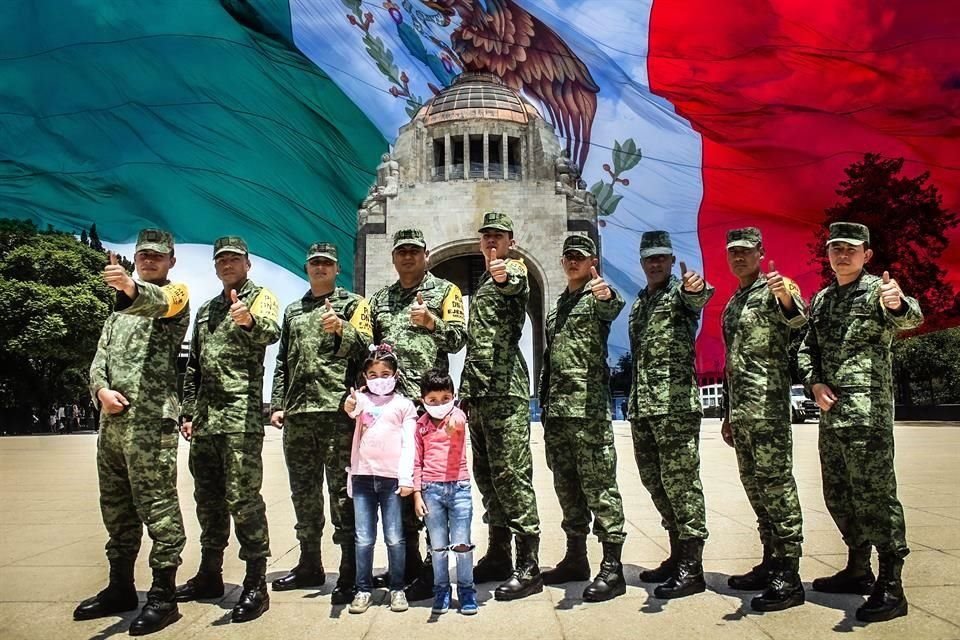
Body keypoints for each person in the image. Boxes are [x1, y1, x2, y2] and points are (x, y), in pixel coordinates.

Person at [798, 222, 923, 623]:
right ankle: (857, 568)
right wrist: (814, 383)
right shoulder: (821, 300)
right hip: (832, 419)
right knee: (839, 494)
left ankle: (891, 585)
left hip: (867, 417)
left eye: (851, 248)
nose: (842, 254)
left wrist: (897, 303)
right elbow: (807, 349)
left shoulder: (878, 292)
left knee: (876, 496)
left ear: (867, 255)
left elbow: (910, 318)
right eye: (836, 248)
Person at [75, 229, 190, 636]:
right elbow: (98, 361)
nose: (149, 260)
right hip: (112, 427)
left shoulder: (176, 296)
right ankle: (120, 586)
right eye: (143, 255)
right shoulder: (115, 314)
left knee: (158, 508)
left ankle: (163, 595)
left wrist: (130, 285)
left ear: (170, 261)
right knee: (117, 509)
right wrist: (101, 391)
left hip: (151, 425)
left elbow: (157, 302)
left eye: (158, 256)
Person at [176, 236, 281, 623]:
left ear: (247, 264)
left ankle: (256, 581)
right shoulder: (205, 311)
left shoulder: (259, 298)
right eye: (221, 260)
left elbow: (271, 331)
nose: (227, 264)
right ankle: (210, 574)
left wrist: (248, 320)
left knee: (243, 499)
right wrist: (188, 412)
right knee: (208, 500)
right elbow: (195, 369)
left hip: (240, 419)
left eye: (234, 259)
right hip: (206, 421)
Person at [269, 242, 372, 603]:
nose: (320, 268)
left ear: (336, 268)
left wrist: (342, 329)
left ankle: (348, 570)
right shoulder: (294, 310)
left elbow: (368, 348)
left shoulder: (353, 305)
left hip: (337, 414)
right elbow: (282, 361)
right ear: (306, 267)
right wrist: (278, 404)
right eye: (314, 263)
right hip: (298, 414)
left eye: (326, 263)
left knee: (342, 494)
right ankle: (309, 563)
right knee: (304, 493)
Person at [368, 227, 467, 600]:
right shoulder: (380, 300)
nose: (407, 256)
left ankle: (431, 571)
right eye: (401, 251)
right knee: (400, 490)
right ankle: (407, 565)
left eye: (414, 251)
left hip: (430, 414)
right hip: (392, 412)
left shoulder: (445, 292)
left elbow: (458, 339)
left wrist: (431, 322)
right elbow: (370, 352)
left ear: (425, 254)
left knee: (432, 490)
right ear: (393, 258)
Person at [720, 227, 806, 611]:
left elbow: (798, 321)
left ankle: (789, 575)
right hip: (742, 413)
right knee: (757, 492)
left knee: (778, 491)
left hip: (768, 411)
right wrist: (726, 413)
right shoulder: (734, 301)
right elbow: (731, 365)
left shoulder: (777, 286)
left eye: (746, 251)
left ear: (760, 252)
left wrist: (785, 297)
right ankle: (771, 562)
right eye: (733, 252)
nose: (739, 257)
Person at [538, 235, 628, 602]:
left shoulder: (597, 297)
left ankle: (613, 568)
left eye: (580, 257)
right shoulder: (557, 308)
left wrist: (606, 294)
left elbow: (612, 306)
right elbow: (549, 361)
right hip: (558, 414)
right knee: (568, 489)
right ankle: (576, 558)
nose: (573, 262)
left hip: (588, 413)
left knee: (600, 488)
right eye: (568, 257)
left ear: (592, 261)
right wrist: (544, 405)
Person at [460, 211, 542, 601]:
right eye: (487, 235)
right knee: (488, 477)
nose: (492, 240)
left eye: (499, 235)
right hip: (478, 393)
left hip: (505, 391)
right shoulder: (482, 280)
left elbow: (514, 283)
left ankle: (529, 567)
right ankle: (498, 554)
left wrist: (504, 274)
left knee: (512, 477)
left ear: (512, 239)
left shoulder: (513, 270)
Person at [628, 230, 713, 599]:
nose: (656, 263)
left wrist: (695, 288)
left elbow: (698, 297)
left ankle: (692, 568)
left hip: (675, 407)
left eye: (662, 257)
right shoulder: (640, 303)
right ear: (643, 261)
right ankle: (678, 554)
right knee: (656, 484)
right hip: (644, 407)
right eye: (650, 258)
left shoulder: (681, 292)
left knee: (682, 486)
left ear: (670, 258)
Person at [343, 344, 417, 614]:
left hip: (391, 482)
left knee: (395, 537)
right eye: (372, 374)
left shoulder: (404, 405)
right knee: (363, 538)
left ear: (396, 375)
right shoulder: (362, 400)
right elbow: (350, 409)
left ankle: (397, 587)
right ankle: (363, 589)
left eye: (385, 373)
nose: (379, 379)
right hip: (363, 478)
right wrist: (350, 403)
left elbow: (409, 444)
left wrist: (406, 478)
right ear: (364, 377)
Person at [412, 369, 477, 615]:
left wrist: (453, 422)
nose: (440, 404)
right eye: (433, 400)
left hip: (459, 488)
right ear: (423, 400)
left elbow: (458, 421)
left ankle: (466, 590)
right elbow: (416, 462)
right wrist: (417, 494)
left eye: (445, 398)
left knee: (462, 545)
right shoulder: (420, 426)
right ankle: (441, 590)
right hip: (431, 491)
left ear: (453, 397)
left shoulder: (457, 415)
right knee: (438, 547)